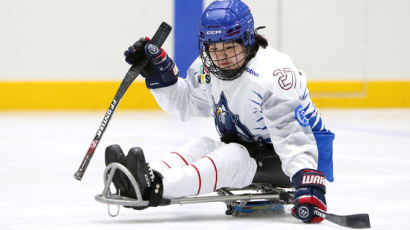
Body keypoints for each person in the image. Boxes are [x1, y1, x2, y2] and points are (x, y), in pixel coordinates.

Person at [106, 0, 335, 224]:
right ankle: (142, 177)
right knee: (202, 145)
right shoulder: (207, 67)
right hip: (254, 149)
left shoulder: (272, 75)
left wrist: (308, 182)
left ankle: (158, 186)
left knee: (234, 154)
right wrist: (161, 79)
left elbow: (292, 137)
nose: (221, 56)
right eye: (213, 48)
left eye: (228, 47)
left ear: (247, 39)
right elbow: (187, 104)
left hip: (300, 160)